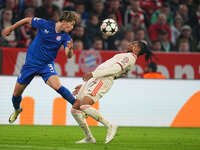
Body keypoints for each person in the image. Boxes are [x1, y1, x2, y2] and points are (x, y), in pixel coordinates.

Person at [1, 11, 80, 123]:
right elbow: (27, 20)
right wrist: (11, 28)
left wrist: (71, 49)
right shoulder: (44, 24)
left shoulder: (66, 37)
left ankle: (78, 106)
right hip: (30, 65)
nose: (72, 27)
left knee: (58, 86)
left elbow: (68, 55)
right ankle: (17, 110)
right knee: (16, 94)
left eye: (73, 25)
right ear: (63, 21)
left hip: (46, 65)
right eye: (71, 24)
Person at [71, 40, 154, 144]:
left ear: (137, 49)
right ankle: (89, 138)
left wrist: (93, 74)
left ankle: (110, 125)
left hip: (103, 79)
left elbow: (114, 69)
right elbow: (110, 69)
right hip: (96, 78)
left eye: (133, 44)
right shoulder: (126, 56)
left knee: (84, 105)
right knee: (75, 108)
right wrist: (85, 85)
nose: (130, 44)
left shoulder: (130, 57)